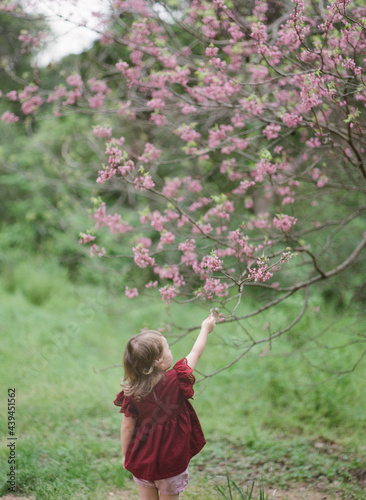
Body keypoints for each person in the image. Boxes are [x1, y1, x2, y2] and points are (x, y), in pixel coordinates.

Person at [114, 315, 216, 500]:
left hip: (142, 461)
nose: (171, 350)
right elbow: (196, 353)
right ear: (160, 362)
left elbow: (127, 427)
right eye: (168, 348)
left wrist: (125, 455)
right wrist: (204, 329)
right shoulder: (177, 379)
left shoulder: (133, 393)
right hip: (171, 462)